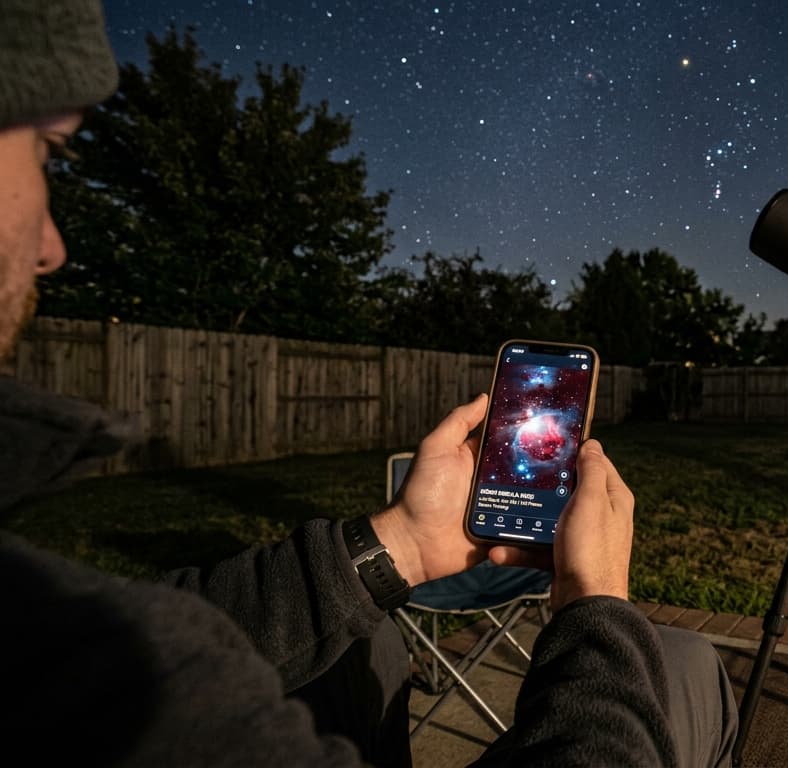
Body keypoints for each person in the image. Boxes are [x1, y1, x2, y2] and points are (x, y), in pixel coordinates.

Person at [0, 1, 738, 765]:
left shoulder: (52, 634)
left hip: (404, 572)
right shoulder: (139, 695)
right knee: (684, 665)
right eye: (49, 150)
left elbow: (156, 635)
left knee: (374, 645)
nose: (54, 244)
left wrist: (406, 543)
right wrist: (596, 611)